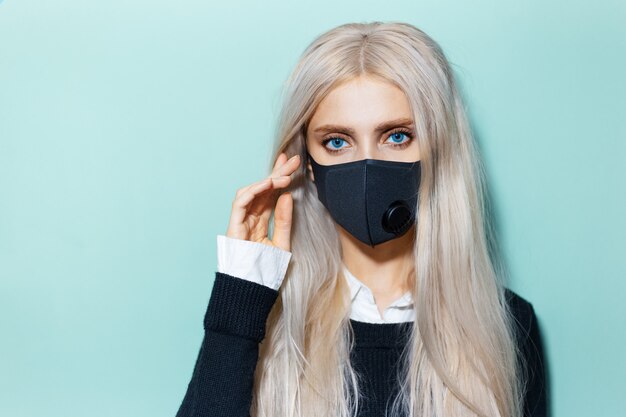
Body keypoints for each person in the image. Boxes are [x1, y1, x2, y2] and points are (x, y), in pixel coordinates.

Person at [175, 21, 547, 417]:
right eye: (337, 142)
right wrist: (242, 291)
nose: (367, 166)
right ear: (310, 166)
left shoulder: (507, 325)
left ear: (439, 150)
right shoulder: (258, 319)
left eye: (397, 136)